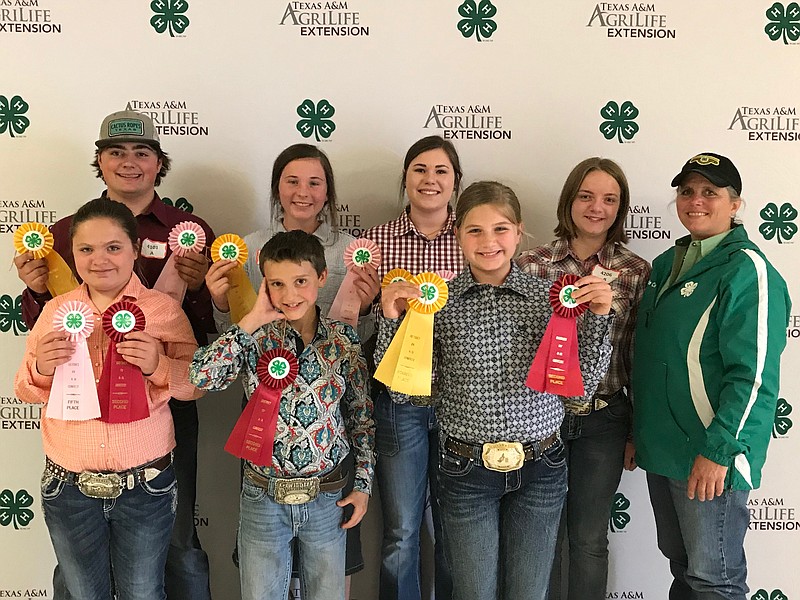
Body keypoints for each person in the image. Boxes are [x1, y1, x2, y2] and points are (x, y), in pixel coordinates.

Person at [376, 181, 614, 600]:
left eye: (501, 229)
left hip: (541, 468)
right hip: (465, 472)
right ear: (457, 236)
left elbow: (578, 397)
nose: (489, 242)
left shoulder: (554, 300)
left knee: (529, 594)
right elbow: (406, 395)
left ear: (519, 232)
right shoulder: (436, 305)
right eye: (474, 231)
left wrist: (597, 318)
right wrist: (392, 322)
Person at [13, 110, 215, 600]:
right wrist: (36, 292)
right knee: (79, 575)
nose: (129, 162)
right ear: (99, 161)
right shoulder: (63, 234)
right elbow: (38, 343)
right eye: (115, 152)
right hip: (75, 449)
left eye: (141, 152)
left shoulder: (187, 230)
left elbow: (205, 346)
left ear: (158, 162)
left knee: (175, 545)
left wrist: (208, 290)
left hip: (154, 425)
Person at [205, 143, 379, 589]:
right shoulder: (255, 334)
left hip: (327, 491)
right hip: (262, 489)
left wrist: (361, 484)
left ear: (321, 280)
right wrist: (247, 324)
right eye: (277, 284)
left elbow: (361, 418)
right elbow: (203, 376)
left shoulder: (342, 341)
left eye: (301, 282)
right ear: (264, 281)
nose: (290, 292)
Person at [632, 153, 790, 600]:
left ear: (735, 204)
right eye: (687, 191)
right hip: (663, 449)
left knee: (714, 580)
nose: (695, 201)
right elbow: (650, 360)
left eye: (710, 192)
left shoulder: (747, 271)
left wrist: (719, 449)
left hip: (709, 454)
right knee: (684, 570)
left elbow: (754, 375)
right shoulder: (665, 264)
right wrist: (636, 432)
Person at [517, 158, 651, 600]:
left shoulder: (635, 271)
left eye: (610, 199)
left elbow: (636, 354)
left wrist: (634, 430)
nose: (597, 207)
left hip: (605, 418)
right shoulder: (531, 265)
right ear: (569, 200)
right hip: (542, 419)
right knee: (541, 536)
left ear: (621, 208)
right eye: (586, 196)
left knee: (589, 538)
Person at [362, 135, 465, 600]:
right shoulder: (374, 243)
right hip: (397, 404)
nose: (430, 179)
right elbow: (355, 322)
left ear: (456, 181)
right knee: (401, 530)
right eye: (420, 169)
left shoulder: (475, 240)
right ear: (405, 178)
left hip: (460, 404)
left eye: (441, 171)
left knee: (454, 528)